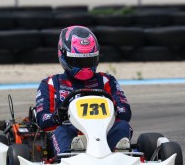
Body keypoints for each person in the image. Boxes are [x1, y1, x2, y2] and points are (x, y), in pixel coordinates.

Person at [35, 25, 132, 156]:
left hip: (103, 131)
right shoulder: (51, 83)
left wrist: (115, 109)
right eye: (78, 61)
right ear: (64, 55)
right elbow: (42, 119)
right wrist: (57, 116)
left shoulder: (106, 81)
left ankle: (120, 154)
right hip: (70, 130)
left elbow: (125, 112)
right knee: (61, 132)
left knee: (122, 126)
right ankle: (70, 156)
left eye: (89, 60)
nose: (85, 67)